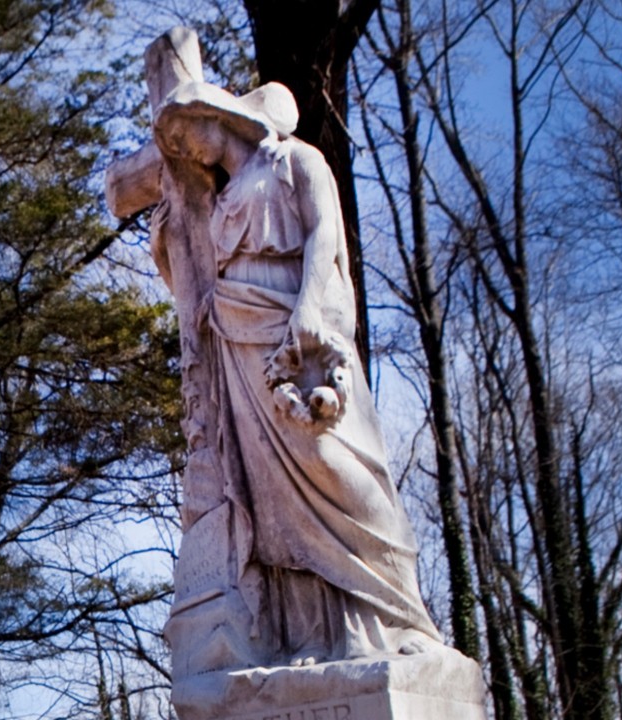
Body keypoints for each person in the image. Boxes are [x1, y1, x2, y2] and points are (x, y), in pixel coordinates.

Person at [153, 81, 442, 666]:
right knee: (271, 501)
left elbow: (324, 233)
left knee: (330, 464)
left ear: (219, 115)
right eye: (176, 144)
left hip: (295, 333)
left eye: (188, 133)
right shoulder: (224, 197)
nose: (186, 149)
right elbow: (204, 270)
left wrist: (310, 307)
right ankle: (318, 636)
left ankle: (397, 609)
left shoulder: (295, 160)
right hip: (240, 345)